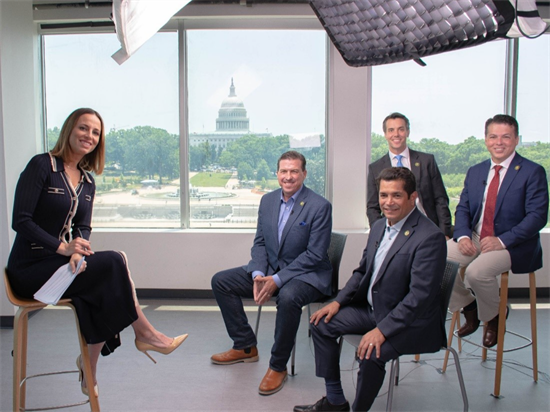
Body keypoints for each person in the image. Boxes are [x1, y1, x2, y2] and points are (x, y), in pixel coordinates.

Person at [6, 108, 187, 397]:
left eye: (95, 132)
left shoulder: (87, 181)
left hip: (60, 266)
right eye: (83, 128)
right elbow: (21, 220)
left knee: (99, 280)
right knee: (115, 260)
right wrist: (63, 247)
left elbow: (83, 226)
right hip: (29, 271)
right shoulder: (42, 165)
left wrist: (78, 250)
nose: (89, 136)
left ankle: (90, 365)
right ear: (69, 130)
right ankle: (143, 334)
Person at [295, 167, 446, 412]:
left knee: (370, 352)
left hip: (412, 323)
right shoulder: (378, 227)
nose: (388, 202)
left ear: (413, 197)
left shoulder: (429, 237)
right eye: (383, 195)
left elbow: (420, 297)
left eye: (396, 195)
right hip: (373, 310)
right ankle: (335, 401)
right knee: (320, 323)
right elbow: (363, 271)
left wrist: (382, 330)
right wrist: (338, 302)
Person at [211, 150, 332, 396]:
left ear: (304, 174)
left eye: (294, 171)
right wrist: (257, 273)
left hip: (306, 275)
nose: (288, 176)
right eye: (284, 171)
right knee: (221, 281)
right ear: (277, 173)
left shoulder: (319, 206)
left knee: (288, 297)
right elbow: (261, 243)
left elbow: (315, 255)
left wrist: (276, 280)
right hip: (269, 272)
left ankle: (278, 366)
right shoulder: (267, 201)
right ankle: (245, 346)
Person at [448, 114, 548, 348]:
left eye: (505, 136)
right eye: (493, 136)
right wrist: (462, 235)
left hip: (513, 243)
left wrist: (502, 241)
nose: (499, 142)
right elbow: (462, 208)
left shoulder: (532, 172)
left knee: (475, 272)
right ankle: (469, 306)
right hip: (475, 236)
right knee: (434, 259)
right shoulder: (475, 171)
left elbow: (537, 217)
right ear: (486, 140)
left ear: (516, 140)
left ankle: (494, 316)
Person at [367, 112, 452, 238]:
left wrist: (444, 233)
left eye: (401, 129)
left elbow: (440, 200)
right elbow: (372, 207)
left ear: (407, 132)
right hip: (395, 231)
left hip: (427, 227)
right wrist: (379, 234)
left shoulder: (426, 161)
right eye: (391, 130)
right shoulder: (376, 168)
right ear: (385, 134)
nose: (396, 134)